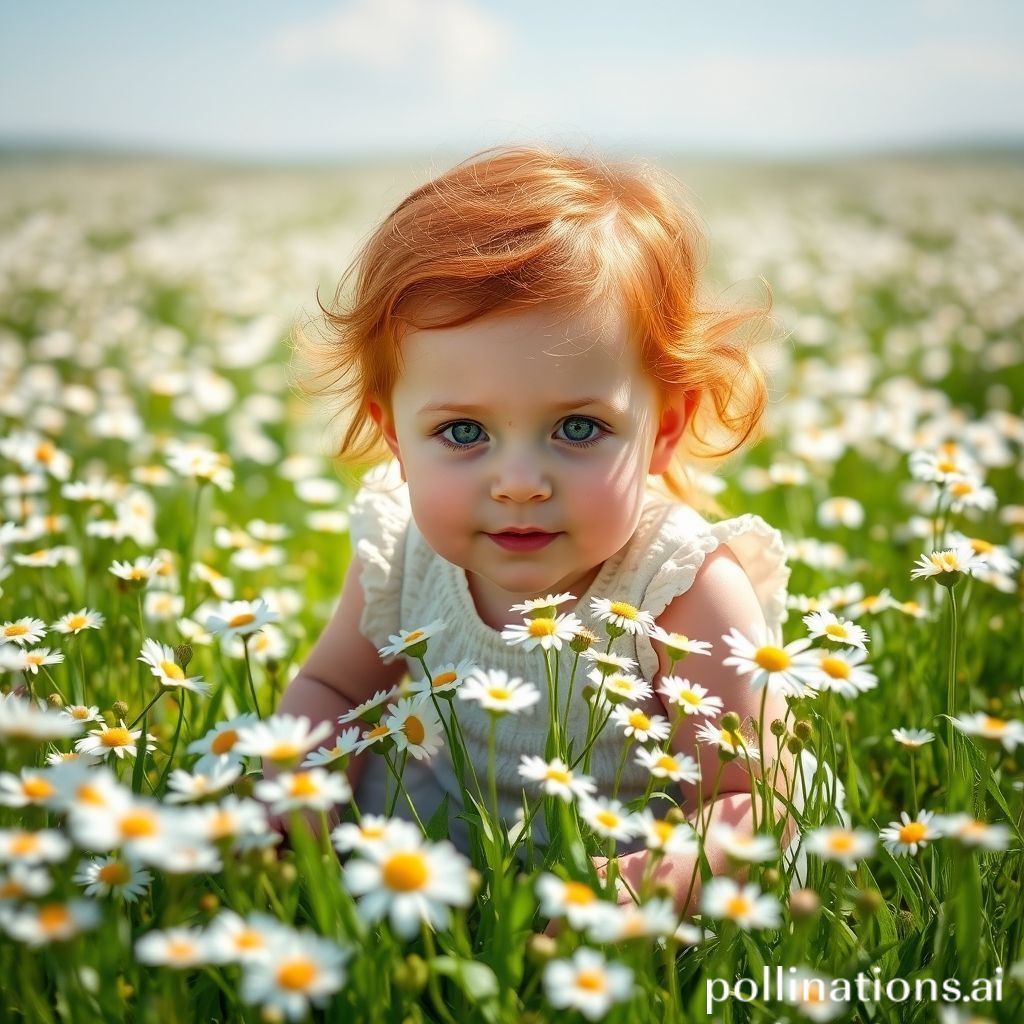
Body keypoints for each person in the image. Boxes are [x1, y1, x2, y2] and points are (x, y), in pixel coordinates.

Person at [265, 142, 800, 914]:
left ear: (667, 428)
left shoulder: (682, 589)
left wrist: (640, 889)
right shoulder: (402, 547)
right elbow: (336, 685)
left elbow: (756, 801)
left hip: (615, 879)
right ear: (395, 440)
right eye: (461, 433)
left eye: (578, 429)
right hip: (434, 840)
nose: (519, 483)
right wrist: (292, 784)